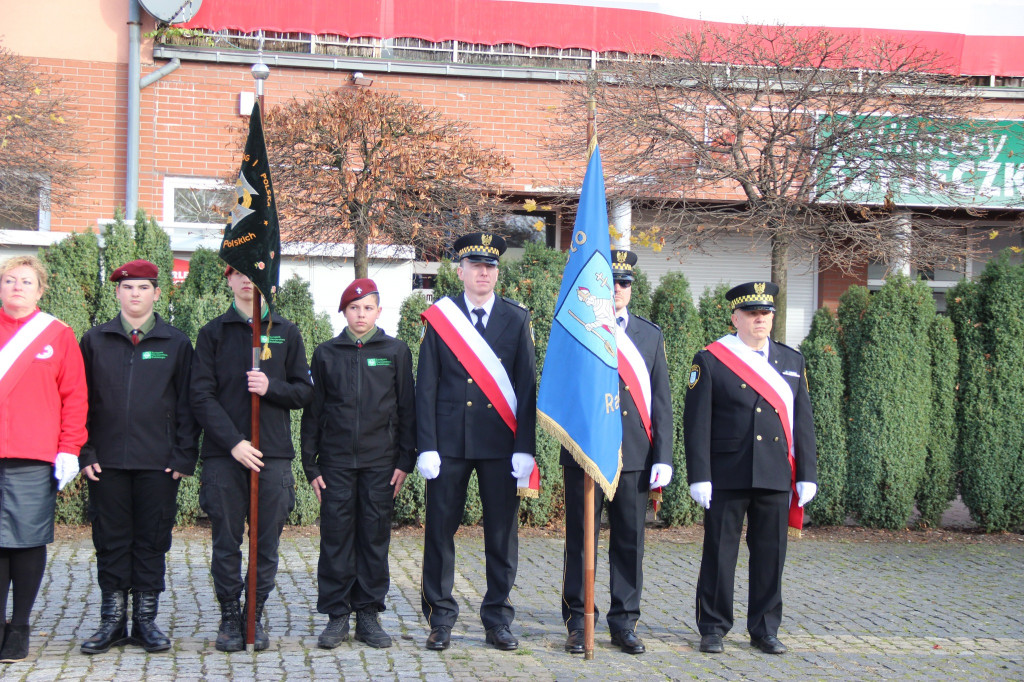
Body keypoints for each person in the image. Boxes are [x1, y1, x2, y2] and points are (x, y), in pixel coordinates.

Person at [416, 232, 537, 652]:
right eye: (475, 265)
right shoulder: (441, 317)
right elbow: (426, 384)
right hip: (448, 444)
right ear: (460, 271)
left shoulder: (516, 318)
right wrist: (425, 445)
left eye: (490, 266)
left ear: (497, 272)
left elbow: (526, 387)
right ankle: (441, 617)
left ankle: (498, 618)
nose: (483, 272)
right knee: (440, 532)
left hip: (500, 445)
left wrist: (526, 446)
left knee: (502, 535)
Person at [683, 281, 817, 656]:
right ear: (735, 318)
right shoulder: (710, 359)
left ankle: (765, 628)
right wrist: (699, 474)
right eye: (752, 313)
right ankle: (712, 627)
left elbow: (802, 421)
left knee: (771, 555)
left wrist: (807, 472)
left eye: (766, 313)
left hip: (776, 472)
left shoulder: (791, 361)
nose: (761, 319)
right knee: (720, 553)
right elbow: (696, 423)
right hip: (728, 473)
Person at [78, 260, 199, 655]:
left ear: (157, 293)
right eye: (128, 288)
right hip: (106, 462)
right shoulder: (95, 341)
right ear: (117, 293)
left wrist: (183, 456)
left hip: (158, 464)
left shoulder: (176, 343)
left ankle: (145, 621)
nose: (135, 294)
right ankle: (111, 621)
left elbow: (188, 405)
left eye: (143, 288)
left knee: (151, 542)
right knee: (110, 542)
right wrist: (85, 450)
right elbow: (80, 403)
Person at [191, 265, 312, 652]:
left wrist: (270, 387)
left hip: (272, 454)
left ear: (267, 283)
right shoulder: (212, 333)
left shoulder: (287, 332)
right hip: (225, 456)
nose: (247, 281)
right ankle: (230, 615)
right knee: (225, 541)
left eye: (255, 275)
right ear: (227, 279)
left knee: (266, 544)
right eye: (238, 273)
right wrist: (233, 443)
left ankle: (254, 613)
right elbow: (201, 396)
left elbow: (303, 392)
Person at [560, 249, 673, 655]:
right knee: (581, 541)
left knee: (629, 541)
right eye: (613, 283)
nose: (620, 290)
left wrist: (664, 455)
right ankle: (577, 620)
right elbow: (564, 390)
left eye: (625, 283)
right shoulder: (578, 327)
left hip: (634, 455)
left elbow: (661, 400)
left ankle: (624, 622)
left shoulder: (649, 335)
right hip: (587, 451)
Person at [301, 278, 416, 650]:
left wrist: (405, 460)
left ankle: (367, 613)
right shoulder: (326, 353)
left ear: (379, 311)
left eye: (368, 308)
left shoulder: (396, 351)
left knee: (373, 538)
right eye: (354, 308)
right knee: (335, 540)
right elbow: (314, 412)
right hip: (334, 464)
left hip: (380, 464)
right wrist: (311, 465)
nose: (361, 314)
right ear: (344, 312)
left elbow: (406, 410)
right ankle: (337, 615)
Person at [0, 255, 87, 663]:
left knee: (27, 540)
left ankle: (19, 626)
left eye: (26, 281)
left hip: (33, 455)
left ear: (40, 290)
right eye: (9, 280)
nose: (17, 286)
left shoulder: (57, 334)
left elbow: (74, 396)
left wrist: (70, 447)